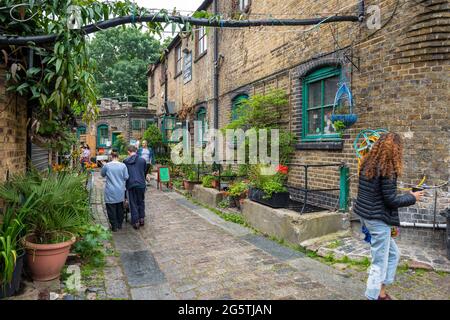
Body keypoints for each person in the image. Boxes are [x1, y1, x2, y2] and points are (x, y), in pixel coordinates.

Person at [353, 132, 424, 300]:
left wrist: (405, 193)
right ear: (396, 149)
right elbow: (391, 200)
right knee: (379, 262)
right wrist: (412, 198)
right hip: (377, 220)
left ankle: (381, 292)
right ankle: (372, 296)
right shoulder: (388, 170)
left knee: (393, 255)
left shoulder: (367, 163)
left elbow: (379, 193)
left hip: (366, 215)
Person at [100, 151, 129, 232]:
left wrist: (104, 166)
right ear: (118, 156)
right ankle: (119, 224)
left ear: (111, 156)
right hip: (120, 189)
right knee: (120, 207)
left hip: (110, 190)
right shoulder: (123, 165)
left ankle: (114, 226)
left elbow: (102, 175)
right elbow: (126, 177)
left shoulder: (107, 166)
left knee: (111, 208)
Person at [123, 145, 147, 230]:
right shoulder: (143, 160)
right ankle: (141, 219)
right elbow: (144, 171)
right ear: (136, 151)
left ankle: (136, 221)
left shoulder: (125, 161)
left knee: (132, 203)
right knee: (141, 201)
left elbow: (125, 174)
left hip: (131, 184)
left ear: (129, 152)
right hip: (141, 184)